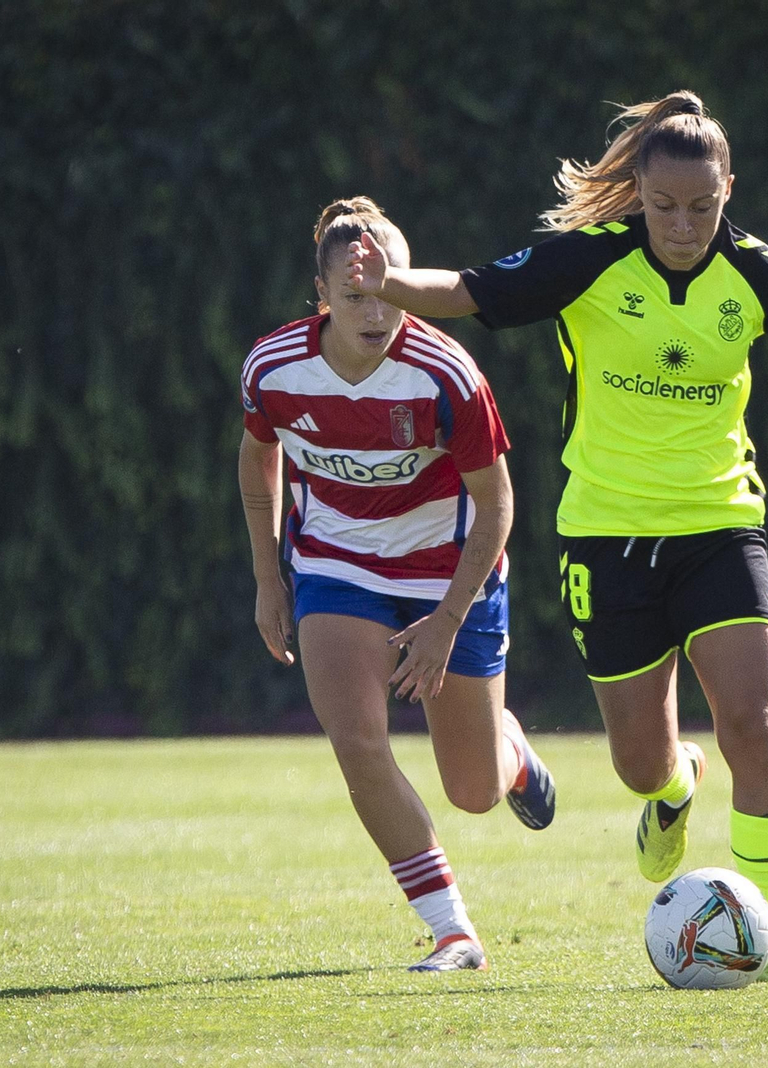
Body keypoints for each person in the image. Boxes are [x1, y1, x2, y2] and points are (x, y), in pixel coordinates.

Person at [345, 92, 768, 985]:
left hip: (720, 526)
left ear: (728, 191)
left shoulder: (757, 272)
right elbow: (471, 293)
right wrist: (388, 285)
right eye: (665, 206)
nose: (683, 224)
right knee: (639, 766)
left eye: (702, 207)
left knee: (757, 724)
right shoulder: (590, 262)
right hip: (606, 538)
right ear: (637, 192)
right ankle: (677, 784)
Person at [237, 197, 556, 973]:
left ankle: (508, 752)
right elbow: (259, 459)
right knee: (358, 744)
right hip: (336, 568)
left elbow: (499, 503)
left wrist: (447, 621)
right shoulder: (273, 368)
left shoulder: (446, 372)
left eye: (389, 290)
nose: (374, 311)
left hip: (451, 575)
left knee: (472, 791)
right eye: (353, 297)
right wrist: (268, 579)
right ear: (323, 296)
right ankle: (453, 932)